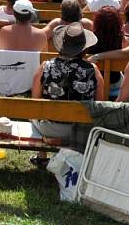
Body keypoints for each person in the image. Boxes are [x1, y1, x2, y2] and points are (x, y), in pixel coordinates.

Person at [29, 22, 104, 167]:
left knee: (33, 115)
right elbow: (99, 104)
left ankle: (41, 156)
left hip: (49, 128)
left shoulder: (45, 66)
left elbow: (35, 102)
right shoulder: (92, 70)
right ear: (83, 47)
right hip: (81, 130)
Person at [88, 7, 128, 96]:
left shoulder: (90, 39)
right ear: (117, 23)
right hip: (115, 83)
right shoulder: (122, 40)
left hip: (94, 82)